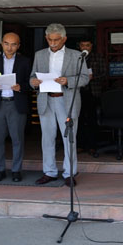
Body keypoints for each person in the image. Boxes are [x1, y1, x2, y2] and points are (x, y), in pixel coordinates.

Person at [30, 23, 90, 186]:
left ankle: (69, 173)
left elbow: (84, 78)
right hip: (46, 100)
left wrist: (68, 80)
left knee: (69, 138)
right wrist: (33, 82)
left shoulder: (77, 55)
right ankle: (49, 171)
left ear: (64, 39)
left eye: (57, 40)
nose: (53, 43)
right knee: (47, 138)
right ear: (46, 38)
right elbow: (32, 77)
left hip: (67, 100)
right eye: (50, 40)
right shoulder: (39, 55)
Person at [0, 32, 31, 182]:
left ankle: (16, 170)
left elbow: (31, 83)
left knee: (17, 139)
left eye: (13, 44)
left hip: (15, 103)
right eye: (6, 43)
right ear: (2, 44)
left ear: (18, 46)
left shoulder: (25, 61)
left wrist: (21, 87)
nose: (9, 47)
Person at [76, 39, 106, 156]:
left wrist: (94, 77)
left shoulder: (98, 57)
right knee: (79, 120)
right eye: (82, 45)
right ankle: (80, 145)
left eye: (87, 45)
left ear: (91, 46)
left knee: (92, 120)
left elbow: (105, 74)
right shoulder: (76, 57)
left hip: (93, 92)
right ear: (79, 46)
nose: (85, 47)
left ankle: (92, 145)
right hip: (78, 92)